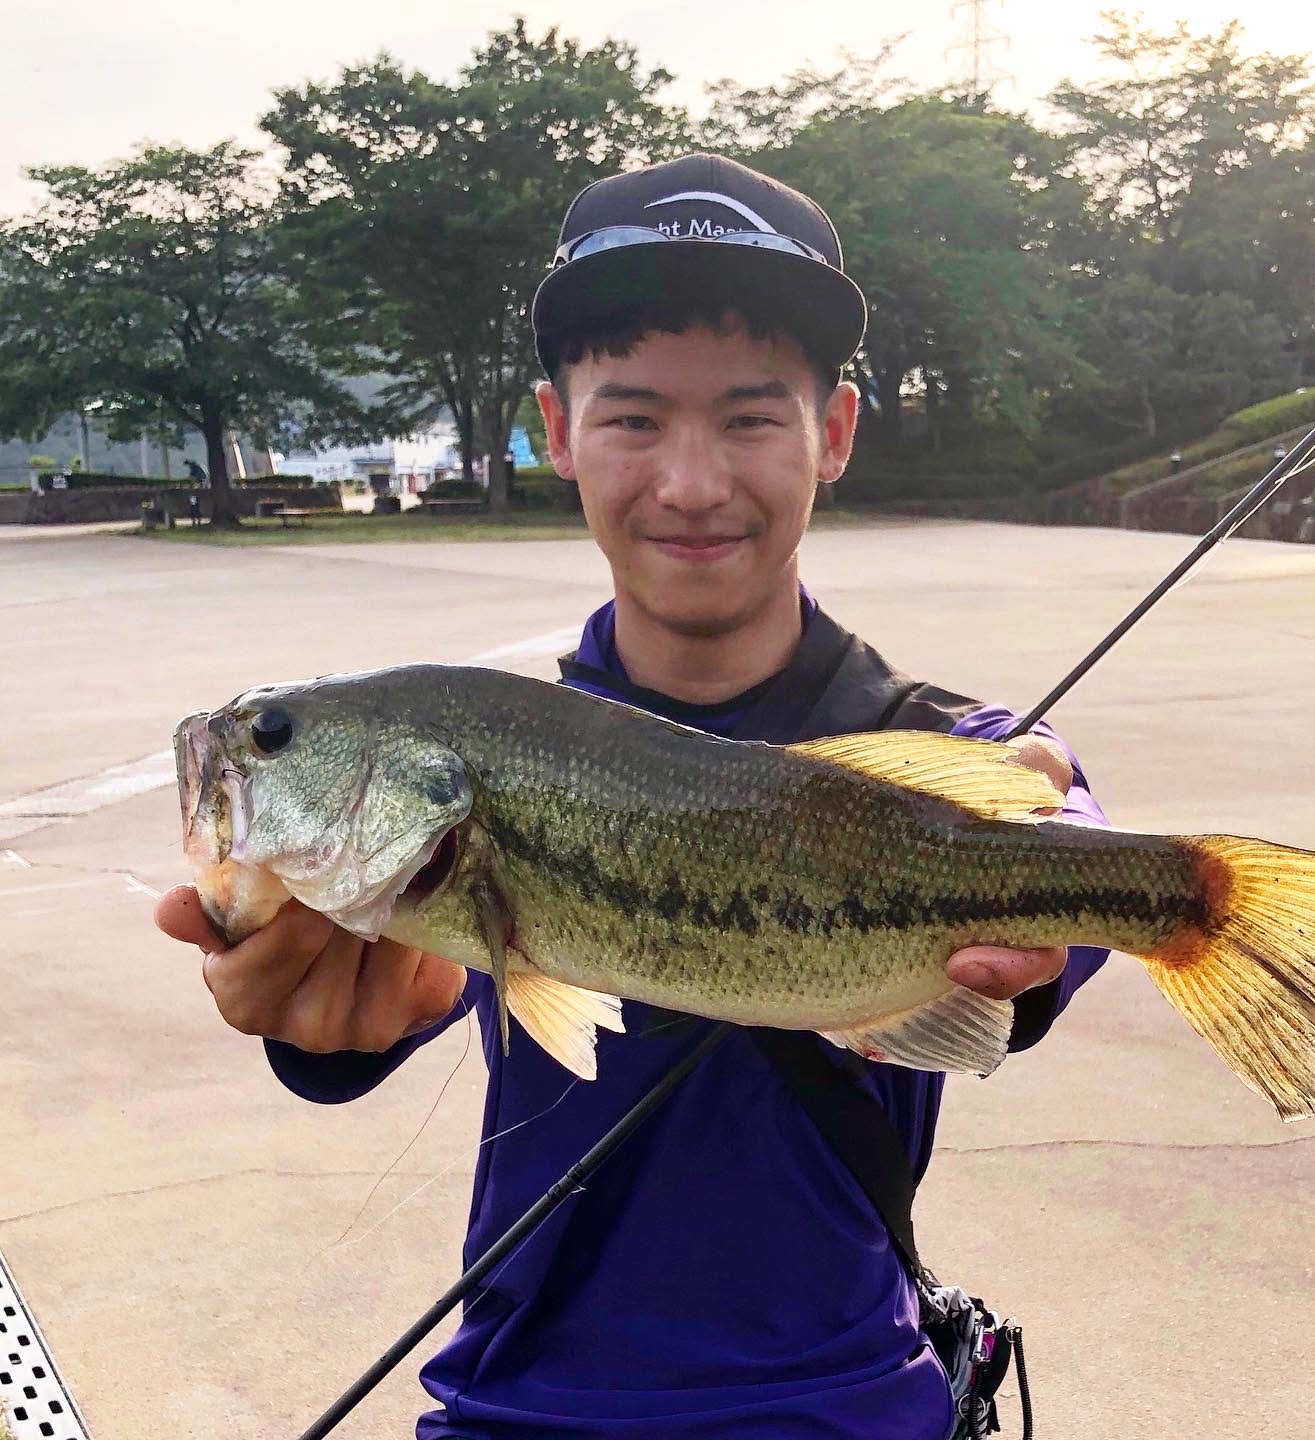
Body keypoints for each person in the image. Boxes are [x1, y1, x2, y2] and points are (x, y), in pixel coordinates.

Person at [155, 153, 1110, 1439]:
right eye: (636, 417)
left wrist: (1067, 904)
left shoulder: (938, 748)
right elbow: (364, 1011)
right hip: (510, 1410)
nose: (694, 482)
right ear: (556, 430)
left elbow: (1064, 824)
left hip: (847, 1410)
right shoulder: (489, 745)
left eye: (753, 417)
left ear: (833, 434)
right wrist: (320, 1022)